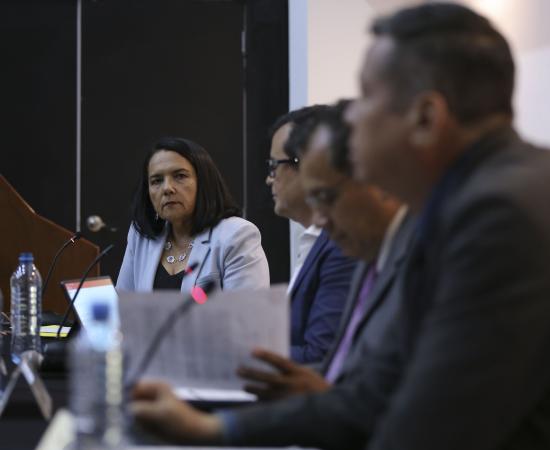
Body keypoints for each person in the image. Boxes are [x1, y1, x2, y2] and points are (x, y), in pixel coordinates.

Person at [132, 4, 550, 450]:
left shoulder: (498, 213)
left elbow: (432, 426)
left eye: (367, 97)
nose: (352, 117)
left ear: (427, 116)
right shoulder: (450, 205)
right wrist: (212, 431)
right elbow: (374, 394)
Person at [237, 101, 415, 400]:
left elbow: (325, 360)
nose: (269, 178)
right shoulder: (363, 249)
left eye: (326, 196)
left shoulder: (367, 248)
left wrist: (241, 354)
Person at [116, 136, 269, 293]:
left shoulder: (236, 235)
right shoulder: (141, 236)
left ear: (204, 182)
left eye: (180, 176)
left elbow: (247, 308)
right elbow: (122, 302)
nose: (167, 188)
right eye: (156, 181)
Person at [266, 106, 357, 364]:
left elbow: (321, 355)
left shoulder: (342, 244)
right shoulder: (315, 238)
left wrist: (244, 351)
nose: (269, 179)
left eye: (273, 166)